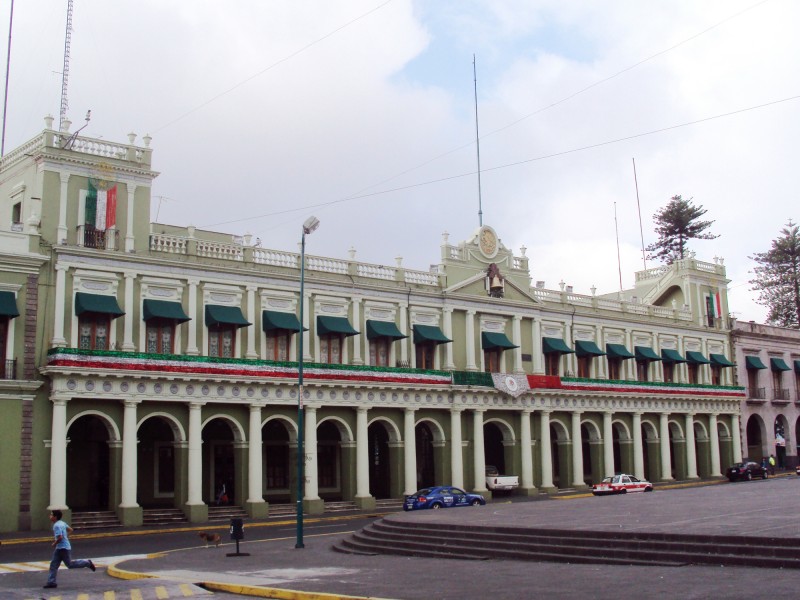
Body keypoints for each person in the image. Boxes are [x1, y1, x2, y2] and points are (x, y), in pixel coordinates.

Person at [44, 509, 95, 589]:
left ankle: (87, 563)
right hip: (62, 548)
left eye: (51, 515)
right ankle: (51, 582)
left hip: (62, 548)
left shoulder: (56, 526)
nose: (49, 516)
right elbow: (71, 530)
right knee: (54, 564)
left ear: (55, 517)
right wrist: (65, 536)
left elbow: (60, 537)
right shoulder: (62, 523)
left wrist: (54, 543)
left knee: (70, 564)